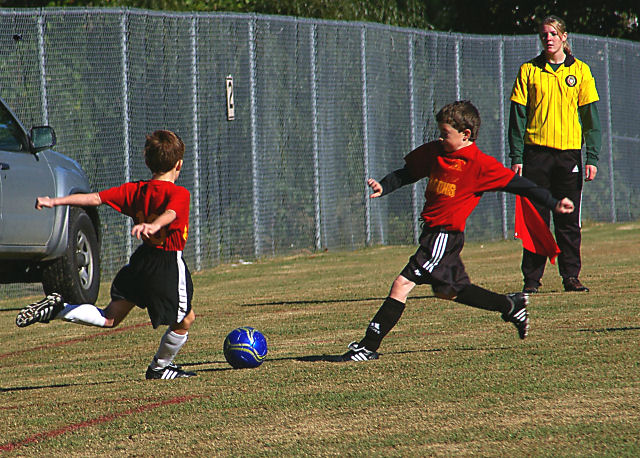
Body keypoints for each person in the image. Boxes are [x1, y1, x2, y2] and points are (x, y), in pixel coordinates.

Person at [340, 100, 575, 362]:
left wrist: (553, 202)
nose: (441, 138)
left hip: (445, 235)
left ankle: (368, 346)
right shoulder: (436, 152)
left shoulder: (479, 164)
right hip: (432, 232)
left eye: (445, 134)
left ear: (465, 134)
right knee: (450, 290)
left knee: (402, 284)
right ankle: (510, 305)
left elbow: (521, 186)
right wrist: (384, 186)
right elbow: (407, 173)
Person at [16, 130, 197, 380]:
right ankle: (160, 367)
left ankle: (57, 309)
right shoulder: (179, 194)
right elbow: (171, 213)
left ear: (148, 162)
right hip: (166, 264)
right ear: (179, 164)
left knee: (109, 317)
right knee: (185, 319)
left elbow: (94, 198)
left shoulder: (136, 190)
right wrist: (155, 226)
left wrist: (54, 201)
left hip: (140, 262)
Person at [509, 15, 601, 294]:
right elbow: (518, 117)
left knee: (568, 221)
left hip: (569, 156)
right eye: (543, 34)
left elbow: (591, 120)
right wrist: (517, 157)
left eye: (552, 33)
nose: (547, 38)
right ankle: (532, 281)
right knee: (535, 220)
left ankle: (571, 276)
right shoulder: (529, 70)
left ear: (564, 37)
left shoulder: (581, 71)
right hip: (536, 155)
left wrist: (592, 158)